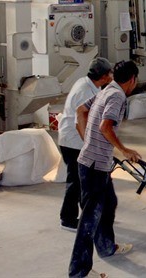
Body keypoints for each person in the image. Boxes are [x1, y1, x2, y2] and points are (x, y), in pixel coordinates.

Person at [69, 60, 142, 278]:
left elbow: (80, 110)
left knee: (109, 203)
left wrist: (88, 142)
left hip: (92, 161)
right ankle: (79, 272)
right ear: (132, 80)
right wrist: (123, 149)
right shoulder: (118, 96)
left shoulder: (107, 88)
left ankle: (106, 247)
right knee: (89, 221)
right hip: (94, 166)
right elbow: (105, 126)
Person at [58, 58, 113, 232]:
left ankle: (89, 215)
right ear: (104, 76)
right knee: (76, 181)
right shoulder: (85, 91)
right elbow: (80, 122)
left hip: (74, 140)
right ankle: (67, 219)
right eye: (110, 74)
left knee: (84, 181)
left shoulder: (87, 84)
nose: (111, 76)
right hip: (73, 142)